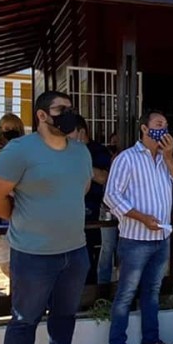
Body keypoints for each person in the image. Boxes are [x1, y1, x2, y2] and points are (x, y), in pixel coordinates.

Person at [0, 91, 94, 344]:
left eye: (71, 110)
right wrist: (22, 219)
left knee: (64, 318)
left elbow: (80, 189)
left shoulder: (80, 153)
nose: (68, 115)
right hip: (32, 255)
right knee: (23, 321)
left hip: (74, 252)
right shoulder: (20, 151)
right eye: (61, 110)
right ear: (43, 115)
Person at [104, 109, 173, 344]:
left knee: (152, 292)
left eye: (165, 124)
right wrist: (141, 218)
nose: (162, 128)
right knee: (126, 295)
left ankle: (150, 340)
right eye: (157, 124)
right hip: (135, 239)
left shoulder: (165, 159)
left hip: (161, 237)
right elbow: (112, 196)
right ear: (144, 128)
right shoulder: (127, 158)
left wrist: (170, 158)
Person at [74, 115, 114, 284]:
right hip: (69, 210)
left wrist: (79, 160)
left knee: (94, 252)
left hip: (95, 208)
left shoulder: (98, 151)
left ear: (82, 132)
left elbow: (105, 178)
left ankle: (93, 292)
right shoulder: (63, 150)